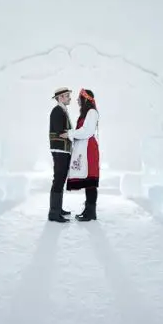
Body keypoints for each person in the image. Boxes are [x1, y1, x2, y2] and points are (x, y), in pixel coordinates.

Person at [62, 88, 100, 221]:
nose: (77, 100)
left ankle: (91, 212)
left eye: (79, 98)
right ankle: (89, 211)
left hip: (89, 149)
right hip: (84, 148)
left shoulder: (92, 112)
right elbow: (82, 131)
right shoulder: (86, 113)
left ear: (85, 99)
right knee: (88, 180)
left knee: (90, 180)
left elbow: (86, 131)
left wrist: (70, 133)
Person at [48, 87, 73, 222]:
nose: (69, 97)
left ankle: (58, 209)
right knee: (58, 179)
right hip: (59, 150)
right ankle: (54, 213)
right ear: (61, 97)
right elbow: (60, 131)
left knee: (61, 178)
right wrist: (71, 134)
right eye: (67, 95)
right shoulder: (57, 111)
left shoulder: (62, 110)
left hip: (63, 150)